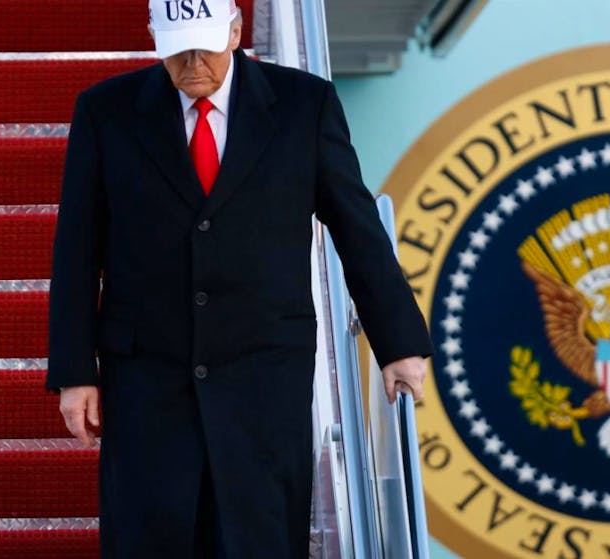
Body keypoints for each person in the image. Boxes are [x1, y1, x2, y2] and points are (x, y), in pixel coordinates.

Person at [44, 1, 433, 556]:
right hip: (148, 381)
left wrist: (397, 342)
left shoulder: (304, 105)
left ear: (235, 30)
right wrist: (75, 371)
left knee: (259, 540)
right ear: (154, 36)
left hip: (263, 378)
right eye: (177, 49)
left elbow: (357, 226)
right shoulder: (106, 112)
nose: (193, 62)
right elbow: (78, 249)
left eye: (204, 44)